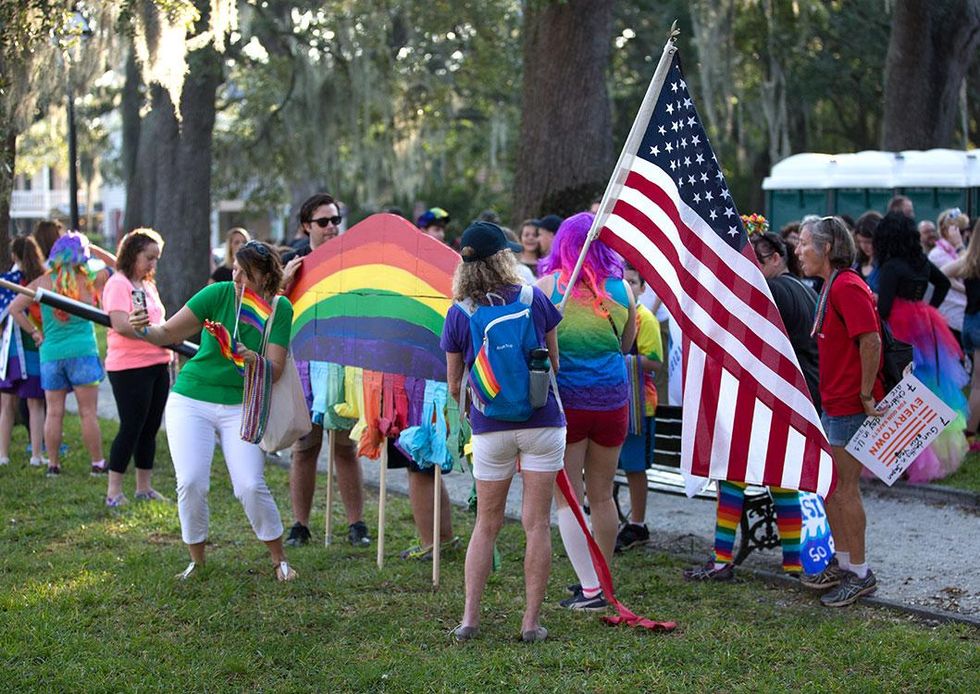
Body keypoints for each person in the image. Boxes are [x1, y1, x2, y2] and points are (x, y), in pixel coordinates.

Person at [131, 240, 297, 581]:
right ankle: (197, 559)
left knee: (250, 484)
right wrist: (142, 328)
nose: (236, 279)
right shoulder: (218, 294)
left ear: (266, 278)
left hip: (242, 405)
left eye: (245, 274)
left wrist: (253, 359)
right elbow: (165, 333)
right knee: (191, 481)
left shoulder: (279, 309)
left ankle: (279, 558)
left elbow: (276, 369)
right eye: (234, 269)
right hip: (191, 398)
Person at [441, 221, 565, 643]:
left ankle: (470, 620)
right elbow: (555, 365)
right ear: (503, 257)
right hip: (542, 423)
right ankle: (530, 624)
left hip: (490, 427)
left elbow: (454, 384)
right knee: (536, 525)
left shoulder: (460, 312)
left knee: (486, 524)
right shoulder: (534, 298)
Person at [685, 229, 820, 581]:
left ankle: (721, 560)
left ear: (777, 258)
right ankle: (792, 563)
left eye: (755, 262)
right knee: (784, 480)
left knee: (732, 475)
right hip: (799, 396)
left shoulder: (772, 290)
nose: (750, 270)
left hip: (772, 395)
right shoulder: (805, 291)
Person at [536, 212, 636, 610]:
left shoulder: (548, 288)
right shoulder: (623, 290)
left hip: (569, 403)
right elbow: (625, 346)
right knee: (603, 494)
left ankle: (591, 589)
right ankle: (600, 576)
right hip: (613, 401)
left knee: (569, 498)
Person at [796, 216, 883, 607]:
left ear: (827, 248)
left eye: (804, 243)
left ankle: (860, 573)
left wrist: (866, 393)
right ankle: (845, 564)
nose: (798, 251)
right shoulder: (832, 285)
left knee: (845, 489)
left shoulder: (847, 285)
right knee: (833, 488)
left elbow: (871, 340)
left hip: (849, 404)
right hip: (833, 402)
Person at [280, 193, 371, 547]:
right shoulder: (294, 261)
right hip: (304, 364)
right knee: (305, 447)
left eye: (335, 220)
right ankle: (300, 525)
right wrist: (284, 282)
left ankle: (356, 524)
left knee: (345, 447)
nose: (332, 227)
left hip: (342, 363)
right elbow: (273, 305)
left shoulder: (353, 261)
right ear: (307, 226)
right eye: (323, 221)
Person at [875, 212, 967, 483]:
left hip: (899, 334)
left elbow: (885, 309)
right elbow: (943, 283)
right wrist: (928, 309)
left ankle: (902, 462)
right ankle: (932, 457)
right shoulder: (921, 262)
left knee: (898, 395)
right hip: (926, 330)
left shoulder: (891, 267)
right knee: (927, 393)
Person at [9, 232, 109, 477]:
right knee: (88, 412)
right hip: (83, 352)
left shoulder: (42, 282)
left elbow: (14, 308)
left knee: (53, 412)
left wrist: (35, 333)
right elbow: (120, 268)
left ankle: (53, 465)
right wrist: (95, 250)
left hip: (51, 354)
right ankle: (97, 463)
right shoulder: (90, 280)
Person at [102, 228, 171, 507]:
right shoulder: (118, 283)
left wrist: (166, 339)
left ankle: (144, 487)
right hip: (129, 367)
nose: (153, 264)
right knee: (131, 426)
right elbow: (119, 324)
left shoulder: (148, 285)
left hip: (158, 362)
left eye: (156, 259)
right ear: (133, 254)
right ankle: (113, 492)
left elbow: (160, 321)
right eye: (149, 257)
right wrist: (153, 332)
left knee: (150, 427)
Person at [614, 264, 661, 552]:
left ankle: (638, 523)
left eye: (633, 282)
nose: (628, 286)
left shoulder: (646, 319)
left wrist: (617, 359)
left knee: (634, 467)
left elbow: (655, 362)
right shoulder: (611, 314)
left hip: (639, 407)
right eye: (623, 281)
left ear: (643, 288)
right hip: (613, 400)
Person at [0, 236, 47, 467]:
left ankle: (3, 455)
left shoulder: (8, 281)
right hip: (35, 346)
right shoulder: (42, 279)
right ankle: (36, 454)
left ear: (13, 256)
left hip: (10, 349)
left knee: (6, 403)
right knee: (35, 402)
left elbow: (7, 311)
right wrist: (36, 332)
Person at [944, 216, 980, 448]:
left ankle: (968, 432)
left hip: (969, 322)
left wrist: (964, 289)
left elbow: (942, 273)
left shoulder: (970, 260)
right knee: (978, 385)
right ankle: (968, 435)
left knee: (976, 382)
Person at [928, 208, 969, 341]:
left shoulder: (957, 250)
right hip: (950, 315)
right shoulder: (938, 254)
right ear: (948, 231)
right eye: (961, 231)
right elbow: (965, 270)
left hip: (960, 311)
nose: (966, 235)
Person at [852, 211, 881, 293]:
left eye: (868, 242)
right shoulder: (856, 265)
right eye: (860, 241)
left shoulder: (885, 267)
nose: (864, 246)